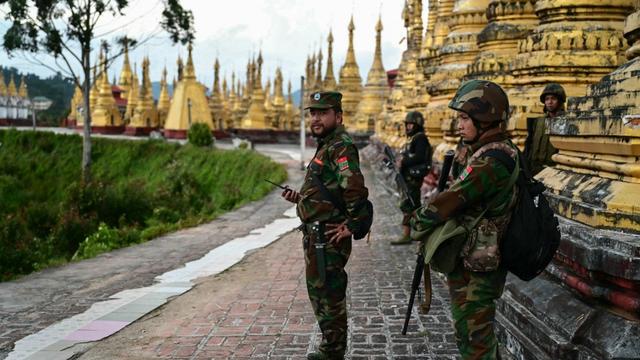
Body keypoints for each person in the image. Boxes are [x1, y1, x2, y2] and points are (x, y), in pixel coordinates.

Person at [411, 80, 519, 360]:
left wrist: (418, 220)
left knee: (475, 339)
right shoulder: (487, 151)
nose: (458, 125)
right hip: (473, 259)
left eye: (464, 118)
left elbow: (447, 202)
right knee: (471, 334)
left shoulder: (491, 161)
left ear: (484, 119)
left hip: (478, 268)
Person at [281, 91, 370, 360]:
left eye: (323, 113)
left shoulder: (340, 146)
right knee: (321, 293)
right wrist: (301, 198)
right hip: (316, 234)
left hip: (327, 237)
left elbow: (354, 188)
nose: (316, 119)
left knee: (328, 295)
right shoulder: (327, 144)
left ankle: (333, 353)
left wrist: (353, 225)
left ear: (338, 116)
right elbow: (330, 188)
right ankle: (331, 348)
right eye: (313, 113)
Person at [390, 111, 432, 246]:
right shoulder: (413, 138)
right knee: (413, 205)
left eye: (411, 125)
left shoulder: (420, 138)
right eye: (407, 124)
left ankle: (407, 234)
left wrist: (404, 160)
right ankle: (419, 231)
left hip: (413, 177)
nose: (408, 127)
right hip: (407, 176)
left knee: (408, 204)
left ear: (417, 125)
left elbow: (420, 156)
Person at [523, 83, 566, 175]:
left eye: (553, 99)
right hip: (533, 169)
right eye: (547, 99)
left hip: (553, 171)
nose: (549, 102)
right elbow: (529, 145)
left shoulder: (566, 122)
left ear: (560, 101)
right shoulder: (538, 122)